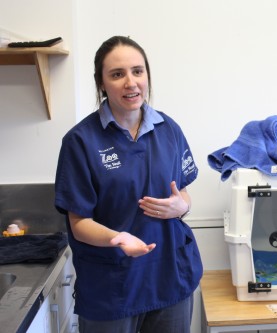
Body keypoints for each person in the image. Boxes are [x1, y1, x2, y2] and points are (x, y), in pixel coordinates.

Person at [54, 35, 203, 333]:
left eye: (138, 71)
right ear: (101, 83)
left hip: (169, 277)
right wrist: (117, 239)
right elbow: (79, 222)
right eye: (117, 74)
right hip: (112, 287)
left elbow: (183, 194)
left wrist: (181, 205)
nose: (131, 83)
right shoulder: (81, 141)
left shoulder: (169, 129)